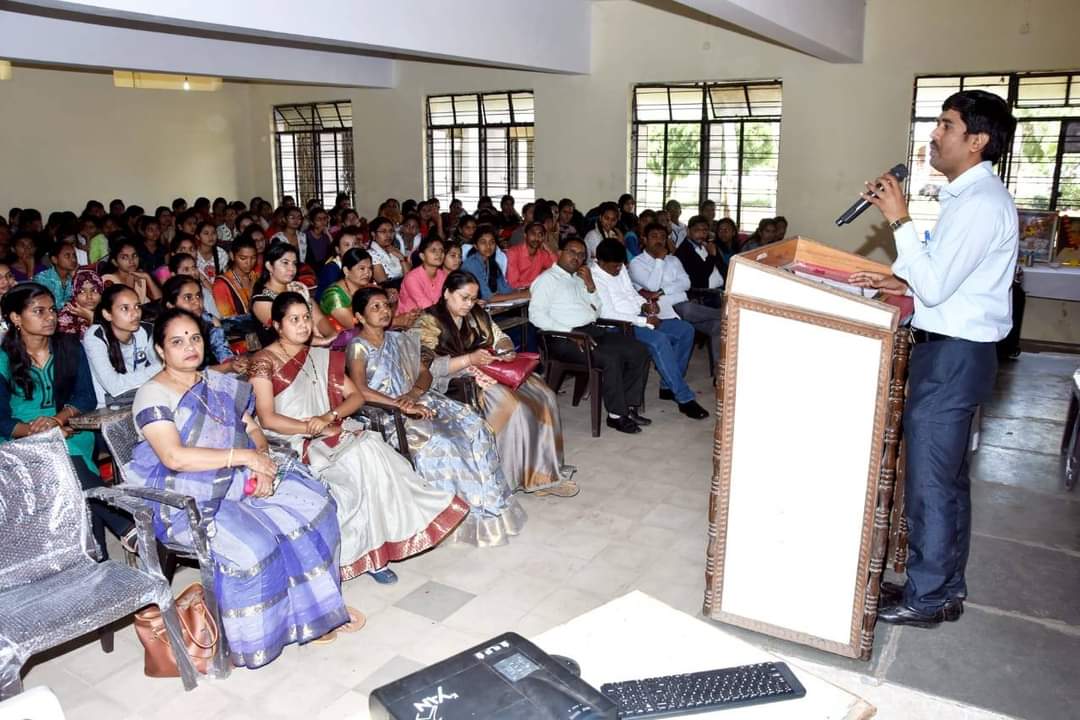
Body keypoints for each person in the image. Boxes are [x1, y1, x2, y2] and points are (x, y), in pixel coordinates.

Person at [848, 89, 1018, 628]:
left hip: (953, 358)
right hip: (953, 353)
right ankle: (940, 586)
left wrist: (899, 219)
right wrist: (895, 278)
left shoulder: (982, 204)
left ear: (977, 141)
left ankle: (927, 598)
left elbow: (940, 287)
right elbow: (946, 278)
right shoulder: (969, 200)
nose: (933, 135)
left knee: (931, 483)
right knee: (942, 480)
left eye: (945, 125)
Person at [124, 308, 359, 666]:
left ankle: (316, 612)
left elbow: (251, 427)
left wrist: (262, 461)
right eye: (177, 341)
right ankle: (260, 636)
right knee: (256, 546)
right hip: (188, 494)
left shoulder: (214, 383)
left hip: (239, 474)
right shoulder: (153, 394)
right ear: (160, 350)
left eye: (195, 338)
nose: (189, 347)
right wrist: (246, 460)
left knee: (314, 509)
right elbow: (174, 457)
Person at [249, 292, 468, 580]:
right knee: (360, 459)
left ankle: (379, 550)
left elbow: (354, 397)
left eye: (306, 318)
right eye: (294, 320)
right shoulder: (263, 361)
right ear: (277, 325)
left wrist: (330, 416)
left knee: (373, 451)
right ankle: (362, 555)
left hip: (329, 428)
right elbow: (267, 417)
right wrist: (310, 426)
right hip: (290, 438)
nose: (303, 325)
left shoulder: (319, 355)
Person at [346, 287, 525, 544]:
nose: (384, 311)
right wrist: (401, 405)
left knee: (476, 428)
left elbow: (425, 372)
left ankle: (487, 507)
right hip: (388, 412)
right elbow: (361, 390)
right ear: (359, 317)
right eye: (375, 307)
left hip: (417, 399)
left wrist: (416, 393)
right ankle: (451, 518)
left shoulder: (399, 338)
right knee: (445, 443)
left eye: (386, 306)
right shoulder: (358, 347)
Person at [415, 271, 579, 495]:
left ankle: (545, 471)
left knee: (544, 394)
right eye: (464, 298)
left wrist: (506, 349)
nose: (469, 304)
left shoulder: (476, 314)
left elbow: (499, 335)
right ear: (446, 293)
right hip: (456, 381)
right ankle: (512, 478)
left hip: (488, 368)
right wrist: (469, 359)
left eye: (473, 299)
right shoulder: (428, 321)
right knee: (513, 406)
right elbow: (428, 368)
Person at [0, 283, 134, 555]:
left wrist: (58, 420)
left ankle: (101, 551)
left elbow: (84, 396)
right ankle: (122, 527)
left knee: (69, 450)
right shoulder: (2, 358)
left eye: (52, 310)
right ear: (15, 318)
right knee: (60, 458)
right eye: (39, 311)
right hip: (19, 438)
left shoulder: (70, 346)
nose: (50, 317)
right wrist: (33, 431)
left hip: (69, 427)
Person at [530, 237, 651, 434]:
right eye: (572, 252)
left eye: (581, 255)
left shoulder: (580, 278)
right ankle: (616, 415)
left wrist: (590, 285)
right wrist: (570, 333)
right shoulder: (546, 280)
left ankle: (628, 407)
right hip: (562, 339)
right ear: (560, 252)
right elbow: (536, 316)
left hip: (590, 330)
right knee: (611, 358)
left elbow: (597, 310)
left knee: (638, 350)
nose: (577, 258)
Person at [592, 239, 708, 419]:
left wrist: (646, 305)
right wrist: (643, 321)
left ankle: (667, 386)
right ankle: (684, 398)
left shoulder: (620, 268)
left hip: (638, 318)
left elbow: (631, 293)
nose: (618, 270)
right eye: (614, 267)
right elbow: (608, 313)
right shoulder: (595, 277)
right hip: (618, 327)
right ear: (600, 262)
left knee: (685, 330)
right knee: (659, 340)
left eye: (620, 266)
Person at [630, 222, 723, 362]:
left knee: (718, 325)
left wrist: (663, 291)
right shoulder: (637, 263)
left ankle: (719, 374)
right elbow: (652, 286)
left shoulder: (673, 259)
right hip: (658, 311)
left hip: (682, 305)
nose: (659, 240)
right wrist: (659, 260)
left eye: (662, 237)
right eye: (654, 236)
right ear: (644, 239)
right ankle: (726, 314)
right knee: (687, 308)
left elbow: (686, 283)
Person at [83, 284, 161, 407]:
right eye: (125, 308)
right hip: (109, 409)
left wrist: (164, 369)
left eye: (137, 306)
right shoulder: (95, 337)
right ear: (107, 314)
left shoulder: (145, 330)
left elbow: (167, 370)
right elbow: (114, 387)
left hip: (142, 399)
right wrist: (162, 369)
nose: (135, 314)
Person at [251, 242, 336, 345]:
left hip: (308, 345)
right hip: (281, 354)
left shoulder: (297, 289)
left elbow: (319, 319)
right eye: (285, 263)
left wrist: (333, 336)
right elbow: (288, 334)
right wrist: (323, 341)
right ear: (269, 266)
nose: (292, 269)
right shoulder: (261, 301)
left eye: (294, 263)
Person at [162, 275, 246, 374]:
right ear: (171, 306)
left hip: (217, 375)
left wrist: (234, 363)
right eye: (188, 298)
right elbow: (188, 374)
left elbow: (223, 354)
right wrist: (227, 367)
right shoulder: (166, 333)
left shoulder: (209, 321)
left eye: (198, 296)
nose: (197, 302)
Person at [460, 226, 528, 303]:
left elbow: (504, 289)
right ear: (476, 246)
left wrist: (522, 291)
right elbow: (487, 297)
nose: (488, 246)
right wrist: (522, 295)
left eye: (492, 242)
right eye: (483, 242)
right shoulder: (472, 263)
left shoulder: (492, 263)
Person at [675, 215, 726, 307]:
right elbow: (700, 277)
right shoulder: (683, 252)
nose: (701, 234)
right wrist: (711, 256)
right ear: (688, 230)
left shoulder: (708, 246)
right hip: (703, 295)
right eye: (697, 230)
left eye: (705, 231)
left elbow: (723, 268)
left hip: (722, 289)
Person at [101, 237, 162, 304]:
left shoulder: (140, 276)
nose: (131, 260)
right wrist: (131, 279)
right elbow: (127, 305)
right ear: (115, 262)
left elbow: (160, 301)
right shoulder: (108, 280)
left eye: (134, 255)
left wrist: (147, 277)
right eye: (124, 257)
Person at [212, 234, 259, 319]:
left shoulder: (256, 276)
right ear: (232, 256)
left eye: (253, 258)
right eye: (243, 258)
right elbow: (228, 320)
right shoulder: (221, 285)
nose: (249, 263)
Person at [397, 236, 448, 314]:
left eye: (441, 250)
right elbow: (426, 306)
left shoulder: (443, 275)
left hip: (432, 317)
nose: (439, 254)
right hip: (409, 321)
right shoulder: (412, 278)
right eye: (433, 250)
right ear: (422, 256)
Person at [315, 225, 362, 300]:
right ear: (338, 250)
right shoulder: (331, 269)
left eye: (355, 244)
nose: (352, 248)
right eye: (347, 245)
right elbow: (333, 298)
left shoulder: (358, 264)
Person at [506, 222, 557, 289]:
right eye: (533, 234)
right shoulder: (513, 253)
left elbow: (556, 268)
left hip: (533, 290)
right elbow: (513, 284)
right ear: (525, 235)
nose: (536, 238)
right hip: (513, 292)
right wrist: (536, 283)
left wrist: (549, 250)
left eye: (540, 235)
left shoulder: (542, 254)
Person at [57, 268, 103, 339]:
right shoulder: (65, 318)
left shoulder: (108, 311)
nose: (89, 297)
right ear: (74, 293)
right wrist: (91, 317)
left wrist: (91, 316)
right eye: (82, 291)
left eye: (94, 290)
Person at [367, 216, 410, 287]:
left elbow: (410, 278)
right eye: (383, 231)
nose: (388, 235)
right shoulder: (370, 254)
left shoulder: (394, 250)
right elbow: (385, 284)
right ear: (373, 234)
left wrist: (401, 257)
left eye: (391, 231)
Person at [34, 239, 79, 307]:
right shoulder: (42, 279)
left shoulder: (75, 276)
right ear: (54, 260)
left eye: (74, 255)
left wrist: (75, 278)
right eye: (67, 256)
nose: (74, 259)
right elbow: (54, 306)